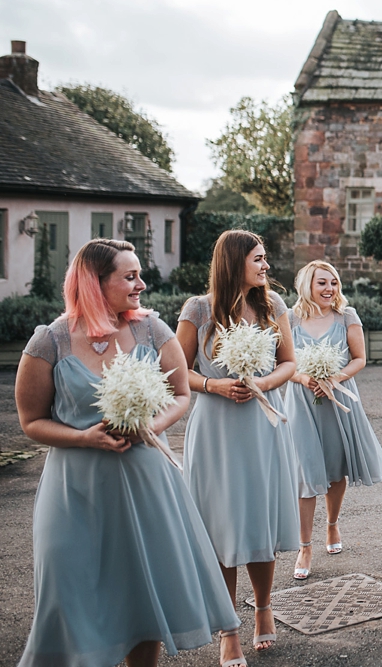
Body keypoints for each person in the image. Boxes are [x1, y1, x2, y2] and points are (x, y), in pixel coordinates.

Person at [14, 239, 244, 667]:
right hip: (74, 491)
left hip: (144, 482)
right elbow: (31, 421)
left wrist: (149, 426)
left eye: (140, 274)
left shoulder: (151, 330)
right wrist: (85, 437)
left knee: (141, 590)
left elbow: (179, 395)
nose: (141, 283)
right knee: (70, 591)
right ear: (95, 283)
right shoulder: (50, 341)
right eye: (130, 276)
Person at [177, 230, 300, 654]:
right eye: (259, 259)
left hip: (263, 429)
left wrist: (263, 381)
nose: (266, 266)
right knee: (223, 525)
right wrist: (214, 384)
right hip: (216, 430)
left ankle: (264, 607)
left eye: (265, 259)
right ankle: (229, 628)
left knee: (259, 518)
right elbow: (178, 372)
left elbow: (289, 364)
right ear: (234, 262)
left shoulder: (273, 305)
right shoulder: (199, 309)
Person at [287, 260, 382, 580]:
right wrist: (304, 378)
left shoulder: (347, 316)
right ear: (307, 285)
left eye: (333, 282)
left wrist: (335, 377)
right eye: (322, 283)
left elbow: (360, 358)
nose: (330, 289)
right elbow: (282, 363)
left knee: (335, 470)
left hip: (339, 400)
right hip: (302, 402)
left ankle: (332, 525)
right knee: (304, 474)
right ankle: (305, 546)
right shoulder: (289, 318)